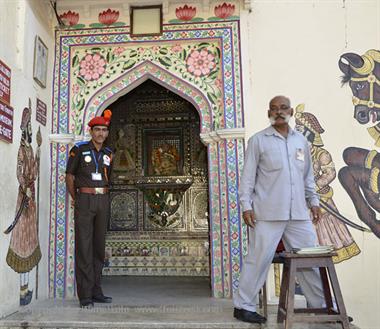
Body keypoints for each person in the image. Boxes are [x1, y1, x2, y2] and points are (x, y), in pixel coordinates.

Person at [233, 96, 324, 324]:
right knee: (258, 259)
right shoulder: (258, 141)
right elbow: (247, 179)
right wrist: (246, 206)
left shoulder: (301, 141)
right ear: (268, 113)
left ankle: (320, 306)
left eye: (283, 108)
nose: (279, 112)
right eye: (274, 109)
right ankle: (243, 306)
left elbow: (308, 177)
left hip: (298, 214)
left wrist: (314, 201)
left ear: (291, 111)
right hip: (267, 213)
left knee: (309, 260)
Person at [295, 104, 360, 263]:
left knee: (325, 232)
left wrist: (314, 187)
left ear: (308, 133)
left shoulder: (322, 154)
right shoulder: (298, 153)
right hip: (301, 201)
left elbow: (330, 173)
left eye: (299, 130)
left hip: (321, 199)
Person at [65, 109, 113, 308]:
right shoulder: (79, 149)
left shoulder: (109, 154)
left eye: (103, 130)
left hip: (102, 200)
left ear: (107, 133)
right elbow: (69, 175)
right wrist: (77, 197)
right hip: (84, 198)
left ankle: (96, 290)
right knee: (84, 247)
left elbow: (109, 177)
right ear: (91, 132)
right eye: (97, 130)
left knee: (98, 247)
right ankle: (84, 295)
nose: (101, 133)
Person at [6, 105, 41, 305]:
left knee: (29, 239)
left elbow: (33, 173)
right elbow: (20, 172)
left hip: (31, 198)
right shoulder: (20, 150)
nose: (28, 131)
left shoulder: (27, 149)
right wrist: (24, 186)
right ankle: (21, 290)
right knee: (21, 239)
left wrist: (37, 150)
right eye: (27, 127)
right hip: (24, 197)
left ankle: (25, 289)